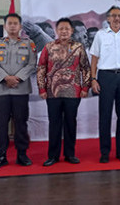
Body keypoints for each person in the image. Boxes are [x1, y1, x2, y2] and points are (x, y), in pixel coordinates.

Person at [37, 18, 91, 166]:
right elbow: (41, 68)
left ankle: (70, 154)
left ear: (71, 31)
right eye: (61, 28)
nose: (64, 31)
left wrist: (85, 87)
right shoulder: (48, 47)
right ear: (57, 30)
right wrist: (42, 88)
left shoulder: (78, 47)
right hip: (52, 92)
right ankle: (53, 156)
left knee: (70, 123)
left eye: (67, 28)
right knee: (54, 124)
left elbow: (86, 68)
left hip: (73, 92)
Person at [0, 13, 37, 169]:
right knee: (1, 124)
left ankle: (22, 154)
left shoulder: (29, 44)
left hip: (20, 90)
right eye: (10, 23)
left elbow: (31, 64)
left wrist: (17, 78)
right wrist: (6, 78)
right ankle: (0, 155)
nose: (13, 26)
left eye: (16, 23)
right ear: (5, 26)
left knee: (21, 123)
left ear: (20, 26)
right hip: (0, 90)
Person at [90, 6, 120, 163]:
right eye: (113, 16)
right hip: (105, 77)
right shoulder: (100, 35)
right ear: (108, 18)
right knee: (105, 116)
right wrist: (93, 78)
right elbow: (95, 58)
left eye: (119, 15)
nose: (117, 18)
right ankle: (105, 152)